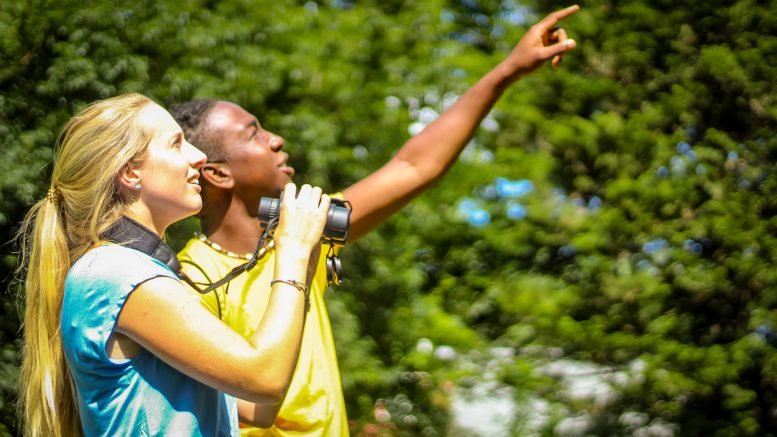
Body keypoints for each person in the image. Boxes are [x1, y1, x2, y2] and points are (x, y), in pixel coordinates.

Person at [172, 5, 580, 436]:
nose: (276, 139)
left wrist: (508, 71)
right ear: (216, 172)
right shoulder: (193, 279)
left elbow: (413, 168)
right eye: (253, 134)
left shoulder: (303, 234)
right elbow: (228, 407)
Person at [16, 92, 333, 437]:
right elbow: (265, 379)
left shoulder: (139, 274)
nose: (199, 157)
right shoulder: (115, 274)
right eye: (177, 144)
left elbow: (260, 408)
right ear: (131, 173)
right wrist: (292, 250)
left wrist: (303, 267)